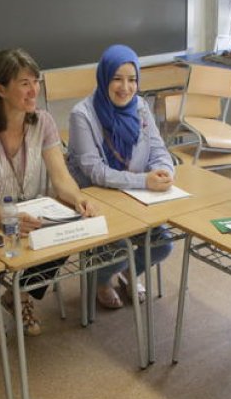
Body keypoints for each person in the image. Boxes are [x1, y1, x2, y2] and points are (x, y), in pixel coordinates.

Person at [0, 48, 97, 341]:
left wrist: (78, 198)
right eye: (25, 83)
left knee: (67, 231)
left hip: (24, 206)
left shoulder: (44, 121)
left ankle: (18, 292)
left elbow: (61, 179)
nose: (34, 89)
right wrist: (8, 218)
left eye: (35, 81)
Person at [67, 44, 174, 309]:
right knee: (116, 252)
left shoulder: (140, 107)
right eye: (117, 79)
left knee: (163, 245)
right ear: (104, 78)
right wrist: (144, 181)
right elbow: (95, 171)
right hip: (97, 197)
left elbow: (158, 148)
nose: (125, 87)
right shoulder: (82, 115)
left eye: (132, 79)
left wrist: (165, 171)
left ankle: (129, 273)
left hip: (134, 195)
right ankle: (101, 280)